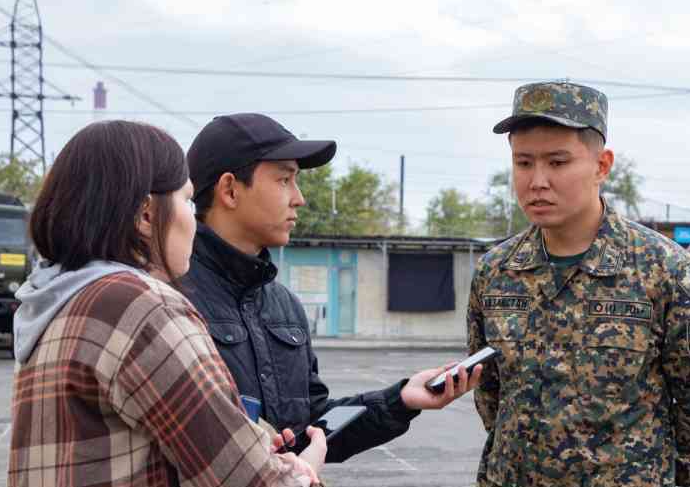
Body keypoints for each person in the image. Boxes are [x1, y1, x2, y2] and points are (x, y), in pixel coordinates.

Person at [0, 121, 326, 487]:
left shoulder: (54, 303)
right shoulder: (138, 307)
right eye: (187, 199)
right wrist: (303, 473)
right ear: (147, 215)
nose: (192, 216)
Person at [466, 82, 690, 487]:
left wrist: (638, 477)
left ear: (602, 165)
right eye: (523, 163)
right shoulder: (496, 270)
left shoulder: (663, 271)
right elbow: (492, 394)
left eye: (558, 161)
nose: (537, 180)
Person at [182, 113, 477, 463]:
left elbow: (316, 427)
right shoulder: (169, 299)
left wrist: (401, 399)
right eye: (284, 180)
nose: (299, 198)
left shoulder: (282, 305)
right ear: (230, 189)